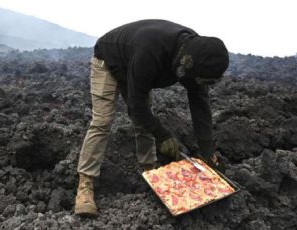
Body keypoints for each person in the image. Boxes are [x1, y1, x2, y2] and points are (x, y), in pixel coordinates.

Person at [74, 19, 229, 217]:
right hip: (109, 61)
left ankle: (149, 175)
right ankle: (85, 187)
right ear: (184, 64)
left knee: (144, 125)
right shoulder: (151, 52)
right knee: (102, 122)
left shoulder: (199, 56)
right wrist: (163, 136)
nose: (197, 83)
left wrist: (208, 152)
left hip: (137, 65)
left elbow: (200, 106)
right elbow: (136, 106)